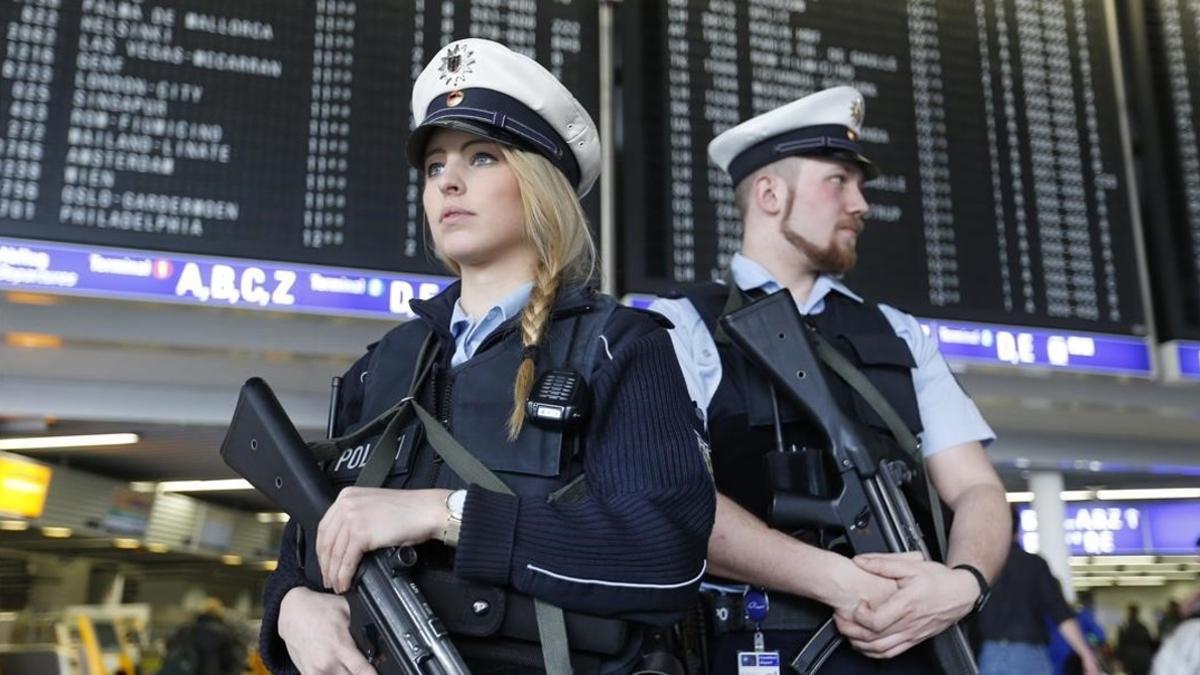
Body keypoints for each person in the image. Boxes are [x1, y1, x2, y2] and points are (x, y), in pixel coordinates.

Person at [257, 38, 715, 674]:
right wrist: (290, 612)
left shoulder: (622, 346)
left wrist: (442, 515)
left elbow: (664, 561)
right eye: (434, 165)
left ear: (538, 185)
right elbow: (302, 555)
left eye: (481, 156)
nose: (448, 179)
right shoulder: (382, 365)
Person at [649, 86, 1011, 673]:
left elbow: (976, 488)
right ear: (770, 193)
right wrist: (844, 581)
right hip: (761, 647)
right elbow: (673, 498)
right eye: (838, 181)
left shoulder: (894, 330)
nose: (861, 203)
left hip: (915, 639)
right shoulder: (683, 324)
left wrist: (962, 583)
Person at [977, 508, 1100, 675]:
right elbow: (1060, 613)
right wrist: (1086, 655)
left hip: (990, 654)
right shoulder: (1034, 564)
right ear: (1016, 530)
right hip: (1028, 655)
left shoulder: (981, 565)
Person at [1117, 604, 1156, 675]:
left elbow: (1121, 645)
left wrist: (1120, 659)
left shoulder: (1125, 627)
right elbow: (1150, 643)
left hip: (1131, 660)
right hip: (1143, 660)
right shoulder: (1143, 627)